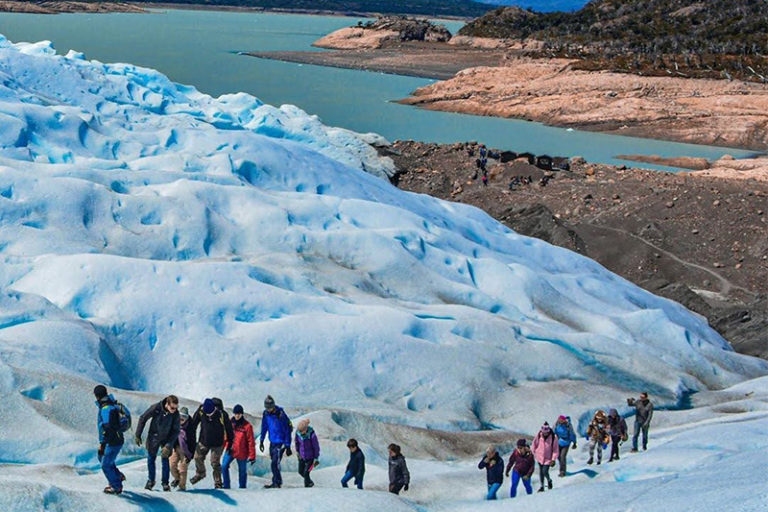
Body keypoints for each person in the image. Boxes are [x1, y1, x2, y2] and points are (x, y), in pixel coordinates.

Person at [135, 395, 180, 491]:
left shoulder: (176, 414)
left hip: (166, 438)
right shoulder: (156, 408)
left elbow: (176, 430)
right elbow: (143, 418)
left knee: (165, 459)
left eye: (176, 408)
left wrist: (169, 445)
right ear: (167, 404)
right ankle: (151, 481)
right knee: (151, 459)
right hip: (154, 437)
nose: (174, 410)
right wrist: (138, 434)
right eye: (172, 408)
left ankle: (165, 483)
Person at [189, 398, 234, 488]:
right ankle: (200, 473)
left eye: (210, 413)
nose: (208, 415)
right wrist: (191, 438)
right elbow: (194, 424)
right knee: (197, 457)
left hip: (218, 443)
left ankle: (218, 482)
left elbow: (229, 430)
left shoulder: (222, 414)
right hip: (204, 440)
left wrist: (230, 444)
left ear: (214, 409)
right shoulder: (201, 411)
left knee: (214, 462)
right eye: (207, 413)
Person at [94, 385, 125, 495]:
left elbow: (107, 428)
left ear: (97, 396)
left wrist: (103, 443)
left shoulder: (106, 408)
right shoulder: (111, 405)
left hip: (112, 441)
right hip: (116, 439)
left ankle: (116, 486)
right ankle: (117, 476)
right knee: (103, 458)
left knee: (105, 464)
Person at [259, 395, 293, 489]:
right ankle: (276, 481)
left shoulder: (280, 414)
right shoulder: (266, 414)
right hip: (272, 441)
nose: (268, 409)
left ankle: (277, 483)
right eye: (267, 407)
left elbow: (287, 429)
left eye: (270, 407)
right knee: (274, 462)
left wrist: (287, 445)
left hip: (281, 442)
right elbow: (264, 427)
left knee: (275, 462)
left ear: (273, 406)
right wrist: (261, 440)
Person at [222, 404, 255, 489]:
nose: (237, 415)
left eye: (239, 414)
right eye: (236, 413)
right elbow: (226, 435)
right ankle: (226, 486)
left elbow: (251, 441)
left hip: (242, 452)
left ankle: (242, 488)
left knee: (242, 472)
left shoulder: (247, 426)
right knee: (224, 466)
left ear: (242, 414)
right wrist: (224, 446)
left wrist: (252, 456)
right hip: (230, 450)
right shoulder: (230, 423)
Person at [170, 406, 196, 491]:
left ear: (187, 418)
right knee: (172, 465)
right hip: (176, 448)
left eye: (184, 417)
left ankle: (182, 487)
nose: (182, 419)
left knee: (183, 469)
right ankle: (177, 479)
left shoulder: (190, 427)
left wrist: (190, 455)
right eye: (180, 417)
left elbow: (192, 442)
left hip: (186, 451)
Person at [294, 418, 320, 488]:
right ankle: (310, 482)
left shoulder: (312, 435)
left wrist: (316, 458)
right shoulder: (298, 434)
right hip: (302, 456)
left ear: (306, 429)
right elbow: (297, 443)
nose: (301, 433)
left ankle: (307, 487)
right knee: (300, 471)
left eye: (302, 431)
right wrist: (297, 452)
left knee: (306, 473)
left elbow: (316, 447)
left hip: (311, 458)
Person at [532, 422, 557, 491]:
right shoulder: (539, 435)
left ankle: (549, 480)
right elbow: (534, 444)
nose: (544, 433)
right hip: (539, 457)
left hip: (548, 458)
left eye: (545, 432)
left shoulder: (553, 437)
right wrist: (533, 452)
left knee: (545, 471)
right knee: (541, 472)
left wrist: (553, 459)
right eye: (543, 431)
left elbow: (555, 449)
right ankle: (542, 486)